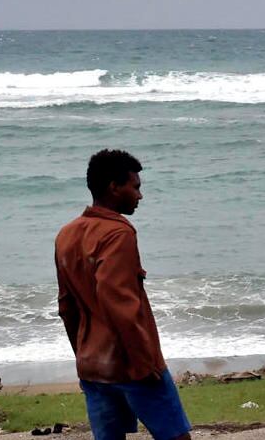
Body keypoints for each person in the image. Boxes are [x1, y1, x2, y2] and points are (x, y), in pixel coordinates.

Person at [55, 150, 191, 440]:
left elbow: (67, 306)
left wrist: (82, 355)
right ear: (114, 187)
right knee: (176, 437)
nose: (139, 196)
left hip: (93, 365)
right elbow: (117, 302)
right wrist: (144, 362)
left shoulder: (67, 235)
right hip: (129, 364)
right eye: (135, 186)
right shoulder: (118, 233)